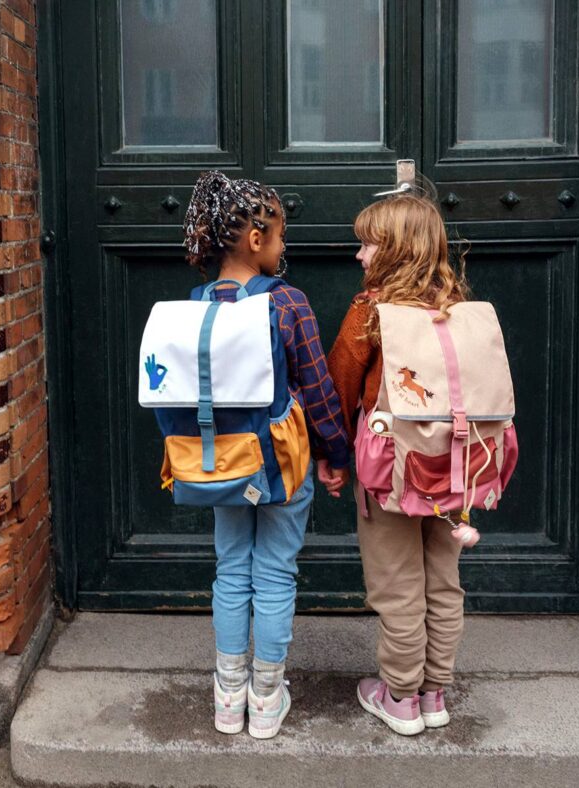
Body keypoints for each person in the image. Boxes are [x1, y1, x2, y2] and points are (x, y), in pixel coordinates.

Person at [183, 171, 350, 739]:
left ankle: (228, 696)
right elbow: (321, 387)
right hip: (282, 458)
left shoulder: (197, 303)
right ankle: (266, 694)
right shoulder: (288, 302)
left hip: (221, 461)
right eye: (279, 236)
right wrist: (335, 454)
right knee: (276, 571)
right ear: (255, 239)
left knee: (231, 568)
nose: (284, 248)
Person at [328, 192, 472, 736]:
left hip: (390, 470)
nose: (359, 255)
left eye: (368, 244)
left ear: (395, 250)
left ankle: (401, 696)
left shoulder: (372, 311)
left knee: (397, 586)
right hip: (451, 467)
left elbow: (340, 386)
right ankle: (435, 692)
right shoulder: (458, 309)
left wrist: (335, 457)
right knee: (443, 580)